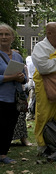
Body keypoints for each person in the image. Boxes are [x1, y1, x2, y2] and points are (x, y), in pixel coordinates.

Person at [32, 22, 56, 155]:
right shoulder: (40, 47)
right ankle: (43, 145)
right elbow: (43, 67)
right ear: (49, 33)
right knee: (44, 113)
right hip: (46, 85)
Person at [0, 23, 27, 163]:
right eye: (1, 34)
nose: (3, 37)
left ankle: (3, 154)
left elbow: (24, 77)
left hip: (14, 98)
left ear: (12, 37)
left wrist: (22, 78)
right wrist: (11, 77)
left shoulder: (17, 56)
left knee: (9, 126)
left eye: (6, 34)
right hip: (1, 97)